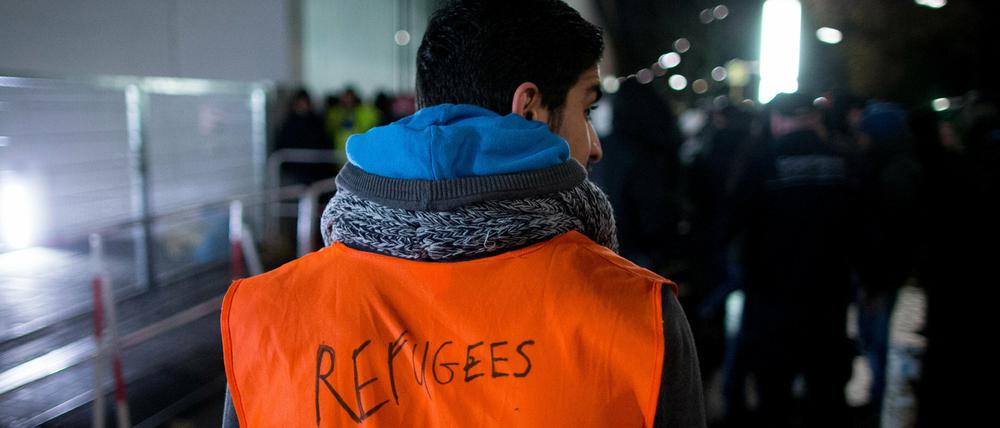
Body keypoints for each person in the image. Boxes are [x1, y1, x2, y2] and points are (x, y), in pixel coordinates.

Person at [221, 1, 705, 427]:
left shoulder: (261, 318)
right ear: (530, 109)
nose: (595, 147)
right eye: (588, 111)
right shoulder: (639, 316)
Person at [727, 93, 859, 427]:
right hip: (830, 296)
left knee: (774, 393)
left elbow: (735, 222)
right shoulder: (845, 162)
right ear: (815, 120)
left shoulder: (763, 161)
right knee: (826, 392)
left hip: (774, 298)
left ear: (778, 120)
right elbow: (867, 226)